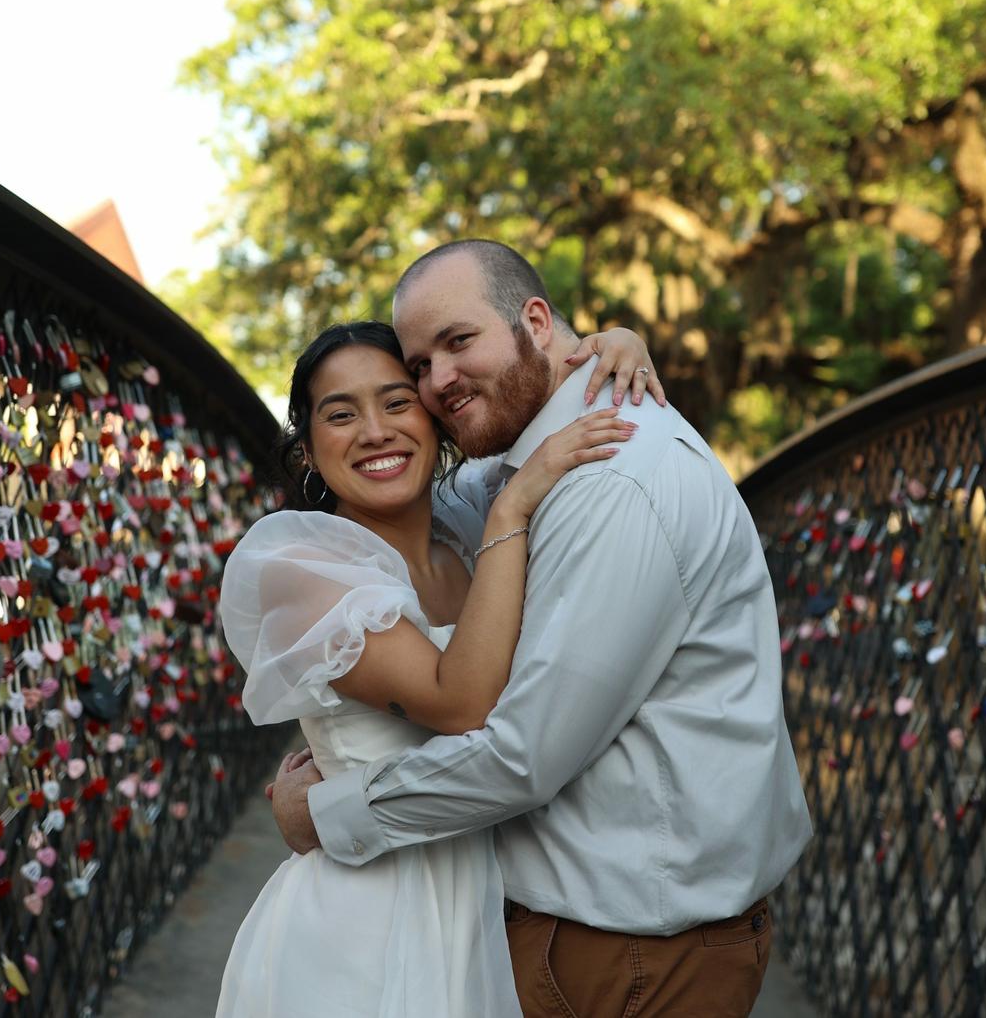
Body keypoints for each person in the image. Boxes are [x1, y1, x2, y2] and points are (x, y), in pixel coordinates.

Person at [269, 240, 813, 1018]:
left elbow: (524, 755)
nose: (437, 385)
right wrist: (601, 343)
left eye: (459, 343)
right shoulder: (501, 482)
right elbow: (429, 502)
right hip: (525, 930)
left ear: (534, 319)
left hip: (636, 951)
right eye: (419, 367)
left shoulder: (613, 479)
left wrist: (325, 814)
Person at [216, 318, 659, 1016]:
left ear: (434, 420)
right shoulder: (302, 567)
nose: (376, 431)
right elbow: (461, 705)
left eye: (397, 402)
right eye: (341, 414)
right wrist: (515, 507)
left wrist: (617, 342)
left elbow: (524, 370)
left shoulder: (460, 527)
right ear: (305, 449)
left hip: (487, 907)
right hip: (365, 924)